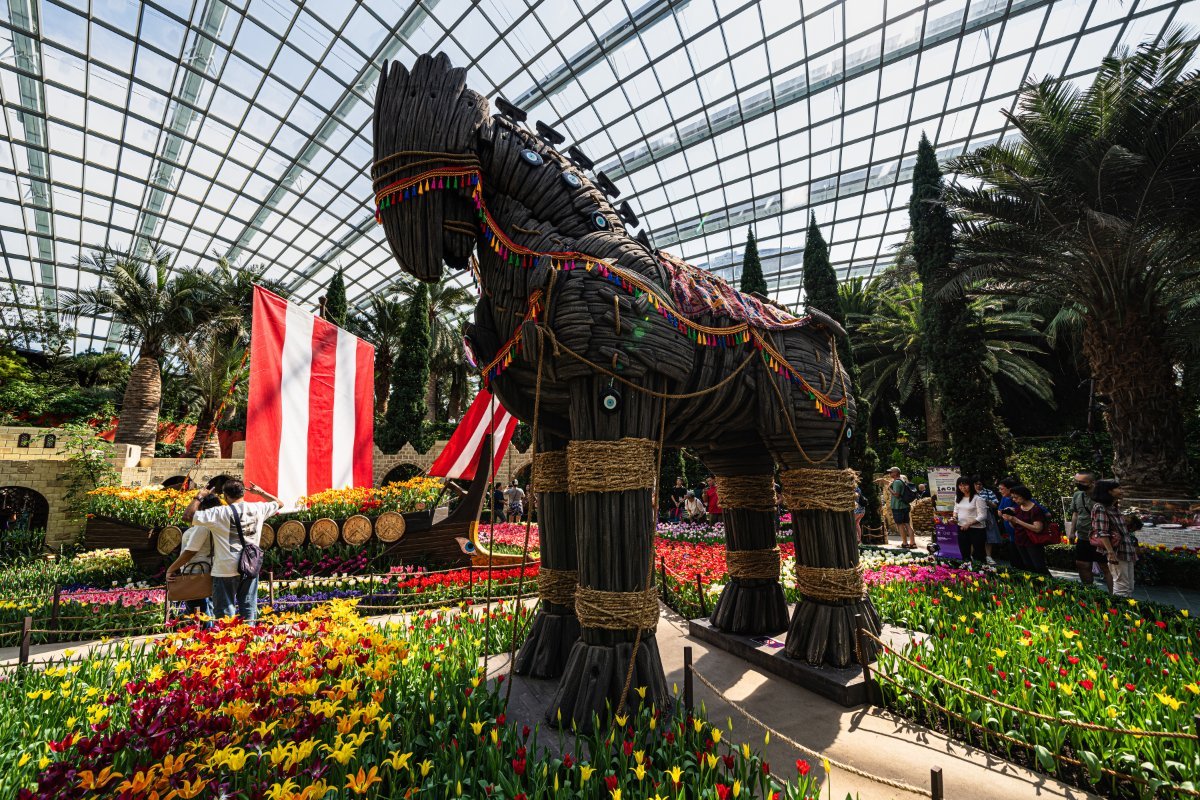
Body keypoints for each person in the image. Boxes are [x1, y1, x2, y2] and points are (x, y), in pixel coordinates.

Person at [181, 479, 289, 622]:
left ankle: (228, 636)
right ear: (243, 493)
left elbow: (187, 516)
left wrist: (199, 496)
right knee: (248, 609)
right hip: (250, 566)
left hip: (225, 569)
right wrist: (261, 492)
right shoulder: (258, 508)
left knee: (225, 612)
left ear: (225, 496)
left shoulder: (219, 512)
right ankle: (249, 635)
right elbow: (279, 503)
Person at [166, 493, 223, 621]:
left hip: (195, 573)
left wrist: (171, 569)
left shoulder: (203, 525)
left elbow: (190, 551)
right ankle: (209, 631)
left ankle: (205, 633)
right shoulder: (216, 523)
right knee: (206, 610)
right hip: (207, 570)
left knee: (199, 614)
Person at [1090, 479, 1136, 597]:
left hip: (1126, 550)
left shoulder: (1113, 507)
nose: (1121, 490)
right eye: (1118, 488)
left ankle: (1127, 608)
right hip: (1117, 552)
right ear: (1109, 491)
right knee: (1122, 587)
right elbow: (1102, 532)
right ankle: (1118, 608)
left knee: (1129, 586)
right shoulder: (1100, 507)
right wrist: (1110, 553)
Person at [1070, 471, 1109, 591]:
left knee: (1105, 566)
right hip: (1083, 536)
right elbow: (1075, 513)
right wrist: (1072, 532)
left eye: (1082, 482)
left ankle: (1114, 596)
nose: (1078, 484)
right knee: (1082, 564)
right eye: (1076, 481)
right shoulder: (1077, 495)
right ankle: (1089, 592)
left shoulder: (1103, 496)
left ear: (1092, 482)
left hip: (1100, 537)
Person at [1001, 484, 1049, 575]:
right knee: (1027, 566)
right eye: (1013, 498)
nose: (1014, 500)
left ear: (1023, 496)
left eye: (1016, 497)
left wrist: (1017, 521)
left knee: (1039, 566)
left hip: (1032, 541)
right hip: (1020, 540)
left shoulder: (1035, 509)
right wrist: (1010, 519)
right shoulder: (1018, 508)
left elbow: (1037, 528)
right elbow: (1015, 526)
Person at [953, 476, 988, 566]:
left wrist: (969, 524)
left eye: (965, 485)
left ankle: (982, 571)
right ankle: (966, 571)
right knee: (964, 553)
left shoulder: (978, 498)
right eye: (960, 485)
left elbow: (983, 516)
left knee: (979, 554)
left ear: (970, 485)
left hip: (977, 529)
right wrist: (954, 518)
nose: (963, 488)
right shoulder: (958, 497)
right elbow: (956, 510)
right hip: (961, 528)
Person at [886, 467, 916, 548]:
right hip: (905, 506)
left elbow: (896, 494)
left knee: (900, 525)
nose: (890, 474)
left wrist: (889, 489)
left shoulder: (896, 482)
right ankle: (912, 543)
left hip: (898, 507)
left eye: (891, 472)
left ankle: (905, 543)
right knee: (907, 524)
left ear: (895, 473)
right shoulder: (902, 480)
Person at [974, 477, 1002, 565]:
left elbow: (995, 505)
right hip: (973, 516)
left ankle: (988, 556)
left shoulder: (988, 492)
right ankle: (972, 556)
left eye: (980, 484)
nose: (978, 486)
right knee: (973, 536)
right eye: (976, 484)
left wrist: (986, 501)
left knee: (989, 536)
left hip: (987, 517)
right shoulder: (969, 492)